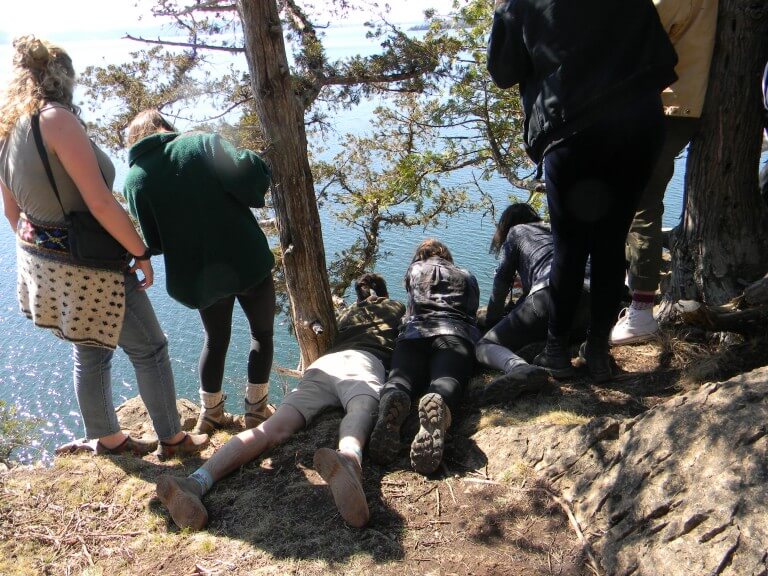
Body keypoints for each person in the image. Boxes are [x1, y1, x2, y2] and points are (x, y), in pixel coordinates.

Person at [0, 36, 208, 459]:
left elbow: (12, 212)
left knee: (90, 347)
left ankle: (109, 439)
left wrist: (49, 254)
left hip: (49, 262)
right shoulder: (56, 120)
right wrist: (141, 251)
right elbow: (99, 200)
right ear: (62, 77)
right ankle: (174, 439)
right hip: (92, 263)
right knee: (151, 348)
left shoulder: (6, 129)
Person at [487, 0, 678, 382]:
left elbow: (503, 71)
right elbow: (659, 51)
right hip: (638, 123)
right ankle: (597, 352)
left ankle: (556, 351)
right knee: (611, 241)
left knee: (570, 247)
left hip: (572, 126)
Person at [155, 273, 405, 530]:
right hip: (364, 362)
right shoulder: (396, 308)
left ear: (360, 296)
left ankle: (196, 482)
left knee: (269, 429)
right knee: (360, 408)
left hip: (324, 366)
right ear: (384, 293)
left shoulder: (348, 314)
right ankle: (350, 459)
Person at [124, 109, 276, 434]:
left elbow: (156, 243)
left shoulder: (134, 180)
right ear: (164, 127)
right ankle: (256, 411)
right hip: (246, 260)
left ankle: (212, 414)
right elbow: (250, 179)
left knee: (215, 340)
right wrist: (255, 159)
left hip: (202, 278)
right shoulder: (200, 144)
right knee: (261, 334)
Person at [611, 0, 719, 345]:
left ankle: (641, 310)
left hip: (665, 104)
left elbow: (635, 34)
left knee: (641, 200)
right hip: (681, 101)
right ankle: (634, 295)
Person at [368, 239, 480, 475]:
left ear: (421, 255)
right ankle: (439, 402)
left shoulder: (415, 270)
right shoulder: (466, 275)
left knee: (400, 379)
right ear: (447, 256)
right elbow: (471, 312)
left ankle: (394, 399)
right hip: (454, 333)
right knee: (447, 380)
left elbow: (413, 304)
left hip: (413, 335)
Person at [475, 203, 590, 403]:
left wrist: (492, 319)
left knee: (484, 345)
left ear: (507, 224)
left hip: (551, 294)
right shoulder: (558, 227)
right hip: (596, 299)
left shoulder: (517, 232)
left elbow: (501, 282)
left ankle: (520, 368)